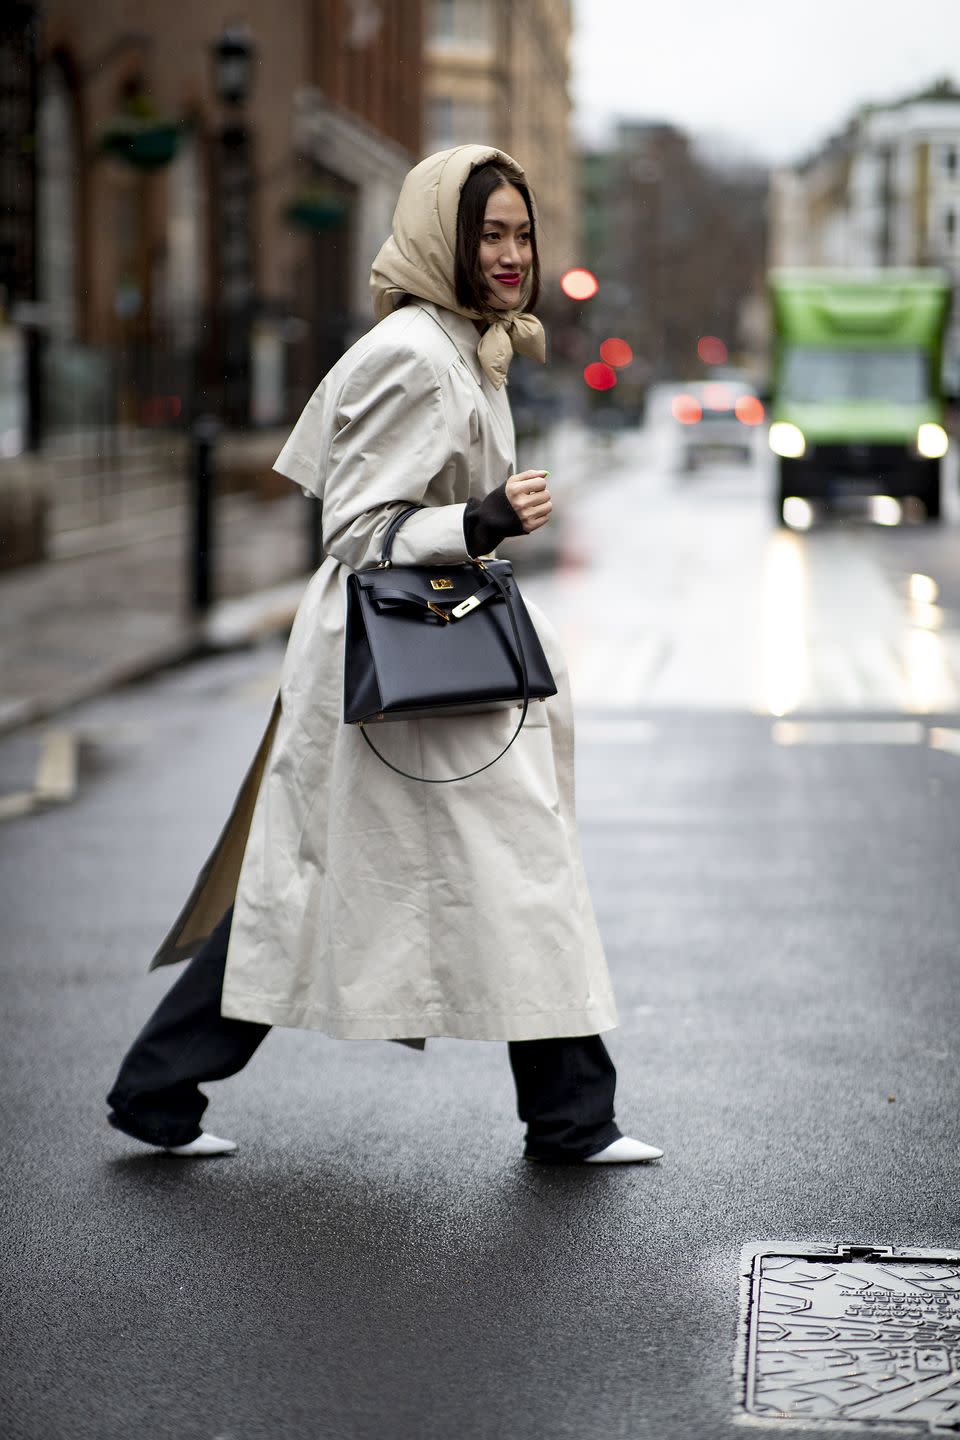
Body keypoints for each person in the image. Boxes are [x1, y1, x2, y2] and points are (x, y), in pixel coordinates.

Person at [106, 145, 663, 1167]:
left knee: (348, 876)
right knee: (505, 870)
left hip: (434, 653)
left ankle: (158, 1089)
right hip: (410, 658)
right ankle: (572, 1117)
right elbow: (354, 529)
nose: (511, 253)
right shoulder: (415, 352)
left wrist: (475, 522)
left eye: (521, 234)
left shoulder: (460, 345)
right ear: (439, 239)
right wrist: (481, 519)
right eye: (488, 233)